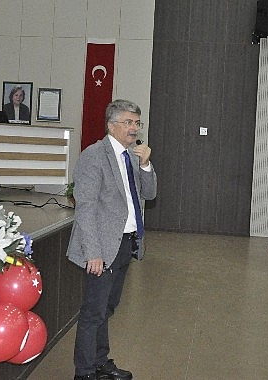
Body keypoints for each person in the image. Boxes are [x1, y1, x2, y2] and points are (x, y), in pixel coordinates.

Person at [67, 99, 158, 380]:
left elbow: (150, 194)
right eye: (128, 122)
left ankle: (100, 361)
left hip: (126, 242)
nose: (134, 129)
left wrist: (145, 165)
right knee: (93, 312)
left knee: (107, 307)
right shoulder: (94, 156)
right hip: (102, 248)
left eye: (137, 123)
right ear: (111, 125)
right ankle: (83, 373)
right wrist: (93, 252)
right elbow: (85, 207)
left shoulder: (132, 157)